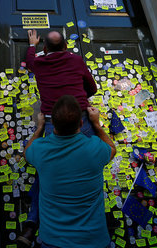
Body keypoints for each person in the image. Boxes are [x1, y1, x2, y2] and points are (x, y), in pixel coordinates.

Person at [23, 95, 116, 248]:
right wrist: (96, 124)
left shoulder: (40, 150)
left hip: (53, 240)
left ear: (52, 122)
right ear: (81, 122)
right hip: (94, 240)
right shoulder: (95, 148)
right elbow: (112, 149)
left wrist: (39, 128)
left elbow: (27, 153)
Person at [26, 29, 98, 136]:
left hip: (52, 120)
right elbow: (92, 88)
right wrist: (79, 98)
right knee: (87, 152)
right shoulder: (76, 60)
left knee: (58, 152)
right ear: (65, 46)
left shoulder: (38, 63)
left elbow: (29, 61)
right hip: (80, 117)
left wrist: (32, 45)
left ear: (45, 49)